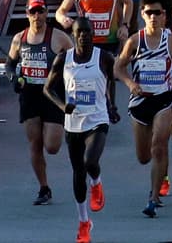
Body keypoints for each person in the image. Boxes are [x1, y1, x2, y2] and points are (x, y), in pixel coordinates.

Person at [114, 0, 172, 218]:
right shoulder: (135, 41)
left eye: (158, 12)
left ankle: (153, 197)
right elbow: (118, 67)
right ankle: (161, 175)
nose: (154, 17)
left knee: (159, 145)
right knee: (144, 156)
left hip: (164, 98)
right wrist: (130, 84)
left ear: (164, 16)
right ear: (143, 15)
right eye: (149, 13)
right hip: (140, 102)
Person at [43, 16, 119, 243]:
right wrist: (61, 106)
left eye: (87, 32)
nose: (84, 36)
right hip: (73, 123)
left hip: (97, 120)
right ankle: (84, 222)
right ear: (73, 35)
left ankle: (96, 183)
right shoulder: (63, 59)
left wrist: (112, 105)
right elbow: (48, 89)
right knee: (77, 174)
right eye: (80, 32)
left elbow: (111, 81)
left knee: (90, 163)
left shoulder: (103, 57)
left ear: (92, 34)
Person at [6, 0, 74, 206]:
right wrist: (14, 78)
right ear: (27, 14)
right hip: (30, 95)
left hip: (52, 94)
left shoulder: (58, 37)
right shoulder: (19, 38)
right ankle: (44, 188)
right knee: (35, 142)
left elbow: (76, 59)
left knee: (52, 146)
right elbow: (9, 64)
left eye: (40, 11)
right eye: (32, 12)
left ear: (47, 13)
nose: (37, 16)